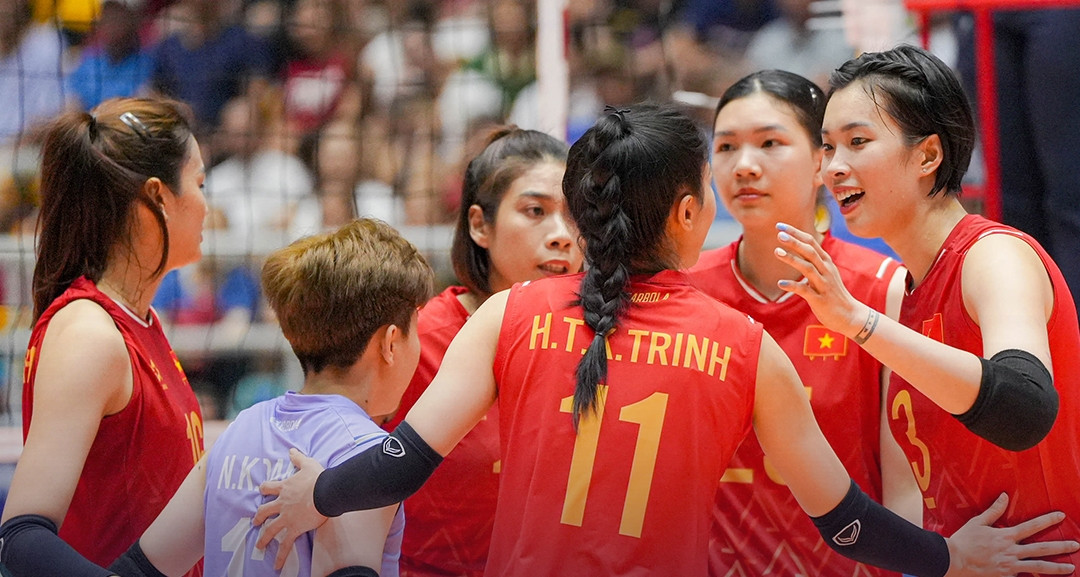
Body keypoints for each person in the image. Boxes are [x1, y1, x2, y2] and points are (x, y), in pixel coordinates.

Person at [253, 104, 1077, 577]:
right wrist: (947, 558)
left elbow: (402, 461)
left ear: (583, 213)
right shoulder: (745, 344)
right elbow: (847, 522)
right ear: (689, 213)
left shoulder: (511, 314)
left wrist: (317, 494)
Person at [772, 44, 1080, 569]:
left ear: (928, 155)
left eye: (858, 142)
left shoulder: (994, 256)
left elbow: (1024, 406)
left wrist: (858, 322)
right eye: (827, 147)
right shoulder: (908, 289)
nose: (833, 168)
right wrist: (944, 558)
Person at [100, 217, 434, 577]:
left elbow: (137, 570)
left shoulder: (240, 429)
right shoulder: (369, 460)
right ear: (390, 343)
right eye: (417, 327)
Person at [689, 69, 915, 576]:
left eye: (770, 143)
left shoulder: (882, 289)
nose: (744, 166)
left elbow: (904, 489)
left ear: (821, 162)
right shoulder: (683, 291)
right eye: (725, 147)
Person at [0, 97, 208, 576]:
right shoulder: (90, 334)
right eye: (199, 184)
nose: (205, 204)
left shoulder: (139, 321)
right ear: (157, 197)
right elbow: (22, 537)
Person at [379, 125, 582, 577]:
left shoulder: (602, 340)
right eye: (535, 211)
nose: (562, 235)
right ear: (478, 225)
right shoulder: (417, 341)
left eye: (575, 215)